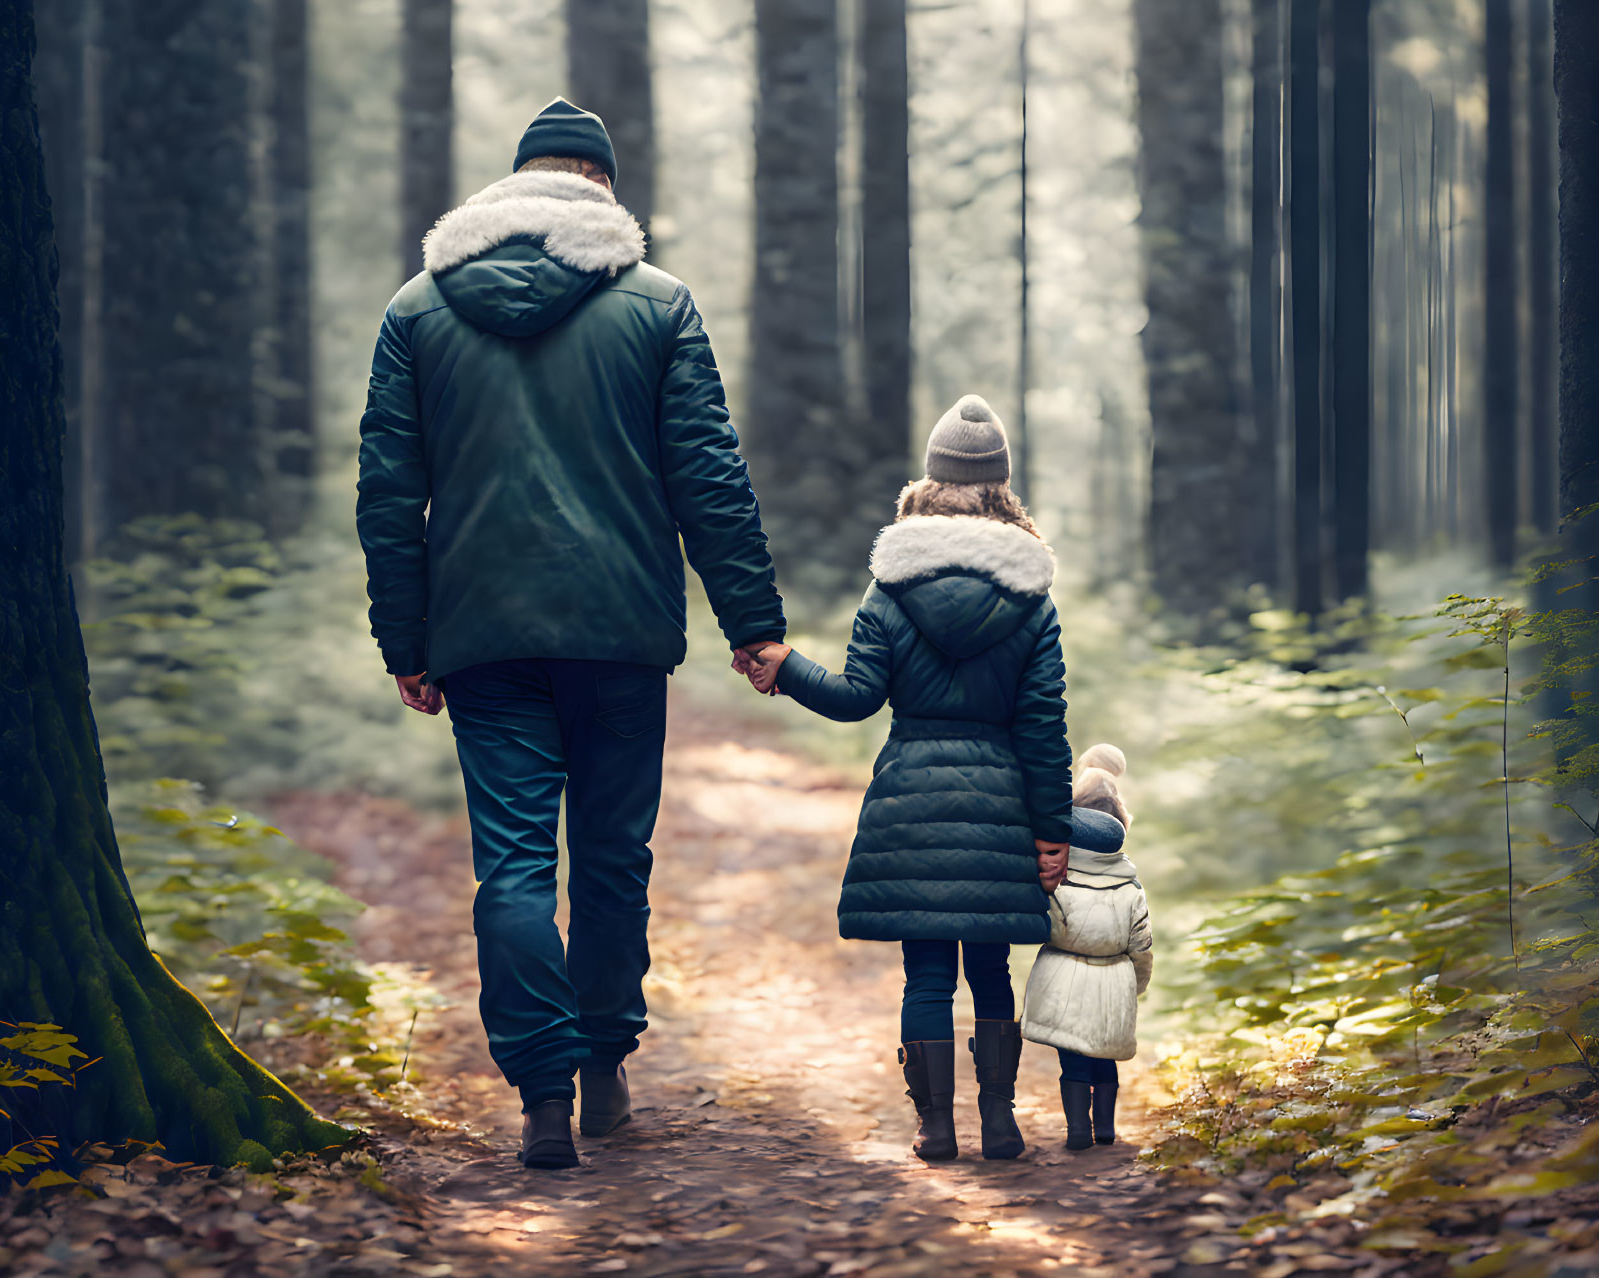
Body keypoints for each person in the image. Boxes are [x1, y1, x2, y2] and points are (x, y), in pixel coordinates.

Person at [355, 98, 786, 1169]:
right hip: (620, 632)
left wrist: (403, 639)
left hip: (481, 637)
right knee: (609, 856)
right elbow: (709, 479)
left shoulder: (417, 309)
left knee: (509, 865)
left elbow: (386, 493)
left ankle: (541, 1094)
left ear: (511, 189)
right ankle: (602, 1069)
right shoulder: (657, 304)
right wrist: (753, 626)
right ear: (600, 186)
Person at [744, 395, 1111, 1162]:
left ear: (930, 483)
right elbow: (1043, 730)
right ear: (1001, 490)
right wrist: (1051, 833)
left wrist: (787, 670)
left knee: (926, 975)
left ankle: (935, 1128)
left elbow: (854, 700)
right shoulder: (1030, 602)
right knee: (990, 969)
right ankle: (1001, 1124)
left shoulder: (890, 589)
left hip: (910, 803)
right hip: (1001, 812)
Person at [1020, 746, 1153, 1150]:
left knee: (1073, 1061)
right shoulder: (1131, 888)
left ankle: (1078, 1129)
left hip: (1063, 978)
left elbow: (1042, 925)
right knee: (1104, 1059)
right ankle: (1106, 1129)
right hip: (1113, 979)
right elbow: (1142, 944)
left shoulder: (1059, 880)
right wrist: (1137, 985)